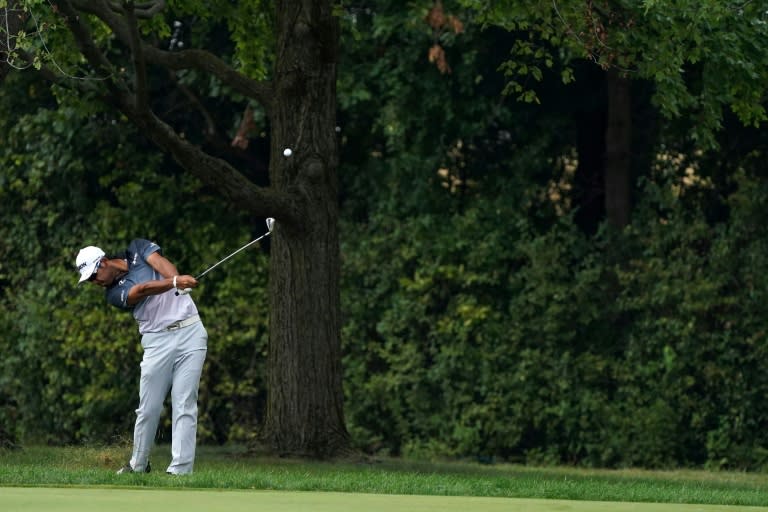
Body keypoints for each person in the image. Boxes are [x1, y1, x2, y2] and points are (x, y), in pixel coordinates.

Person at [75, 239, 207, 475]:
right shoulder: (114, 293)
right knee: (148, 408)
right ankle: (138, 464)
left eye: (94, 275)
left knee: (184, 403)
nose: (95, 282)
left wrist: (177, 281)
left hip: (191, 332)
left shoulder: (137, 248)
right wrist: (175, 282)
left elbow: (160, 262)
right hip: (157, 342)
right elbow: (142, 290)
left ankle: (180, 470)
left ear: (104, 262)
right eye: (90, 280)